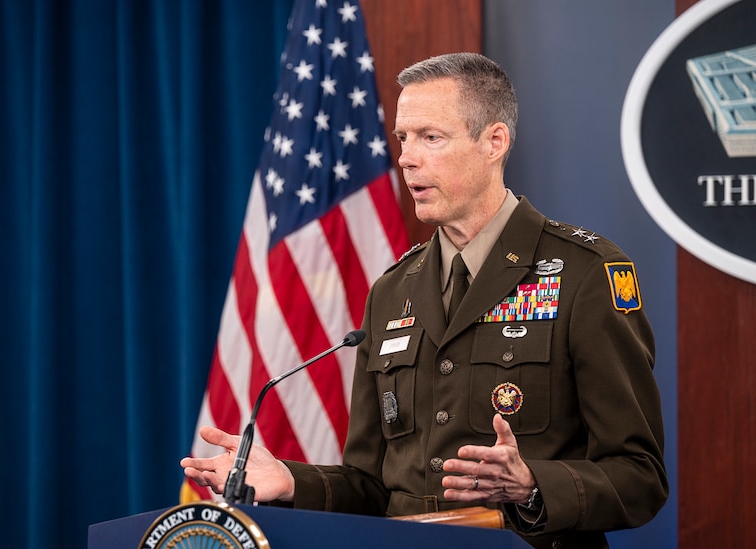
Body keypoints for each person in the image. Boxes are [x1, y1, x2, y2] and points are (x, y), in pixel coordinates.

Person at [181, 52, 668, 548]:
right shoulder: (394, 289)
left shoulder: (584, 273)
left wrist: (531, 486)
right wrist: (291, 479)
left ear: (494, 142)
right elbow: (370, 485)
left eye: (431, 137)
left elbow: (640, 476)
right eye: (403, 138)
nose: (407, 158)